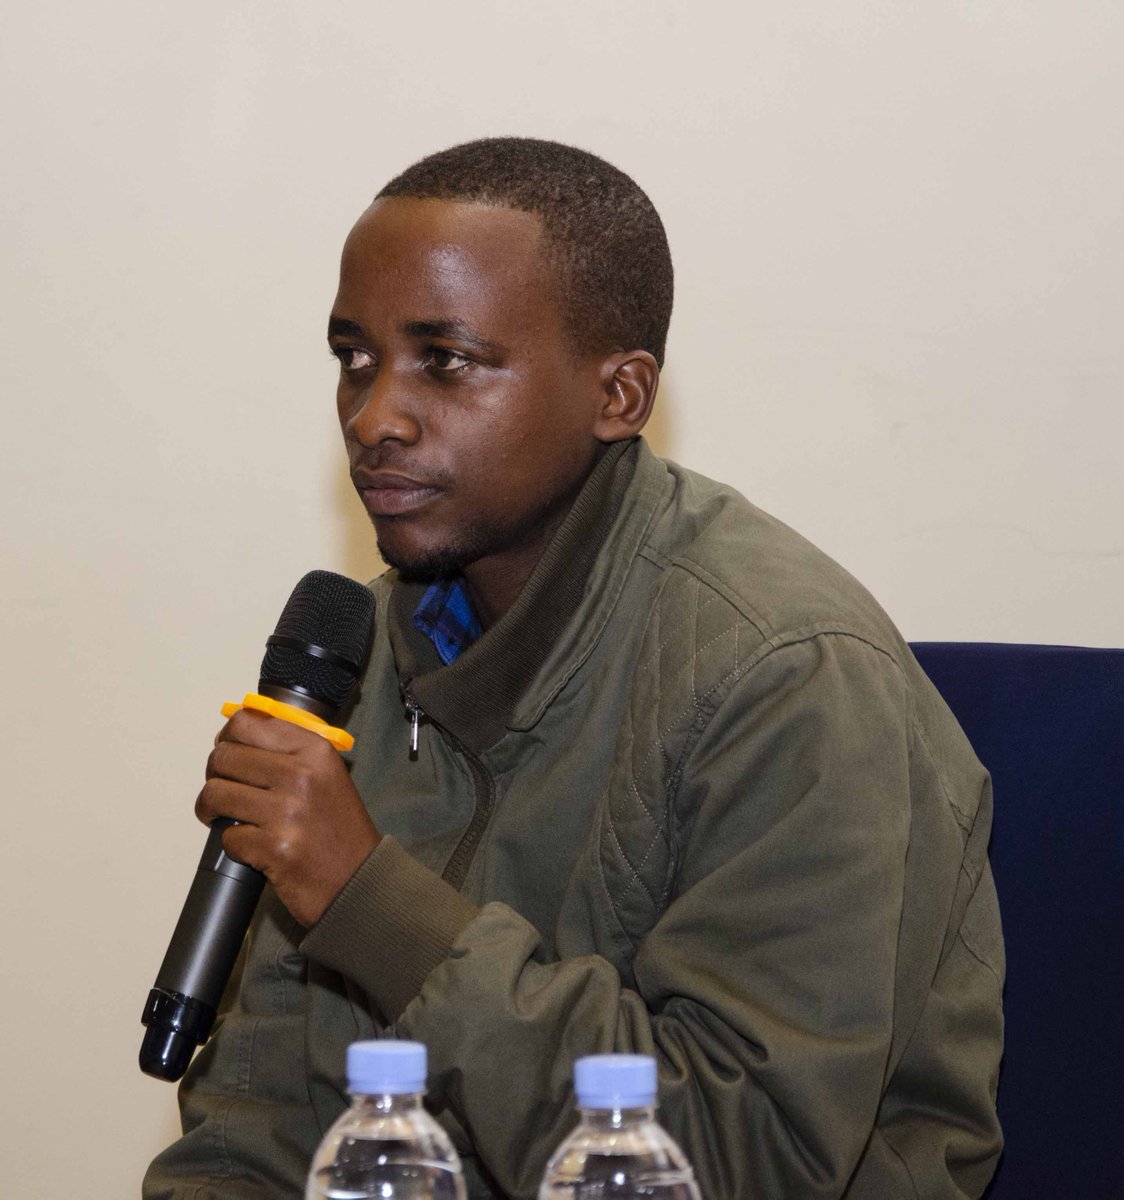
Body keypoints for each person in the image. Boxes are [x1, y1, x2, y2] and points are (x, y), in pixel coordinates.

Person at [144, 138, 1003, 1199]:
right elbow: (260, 1115)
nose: (374, 418)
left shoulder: (786, 676)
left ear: (619, 395)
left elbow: (746, 1158)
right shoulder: (359, 657)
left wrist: (371, 901)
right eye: (354, 358)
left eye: (445, 360)